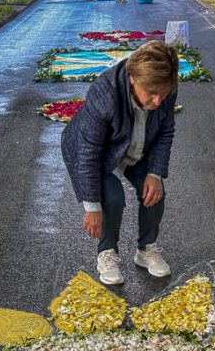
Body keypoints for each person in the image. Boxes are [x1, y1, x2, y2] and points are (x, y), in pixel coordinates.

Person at [61, 41, 179, 286]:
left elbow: (165, 131)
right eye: (151, 93)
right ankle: (107, 252)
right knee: (112, 199)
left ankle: (146, 250)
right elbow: (88, 152)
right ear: (133, 78)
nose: (158, 101)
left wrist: (155, 173)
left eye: (163, 94)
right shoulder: (104, 94)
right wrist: (92, 207)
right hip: (101, 151)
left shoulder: (164, 85)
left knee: (154, 192)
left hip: (136, 142)